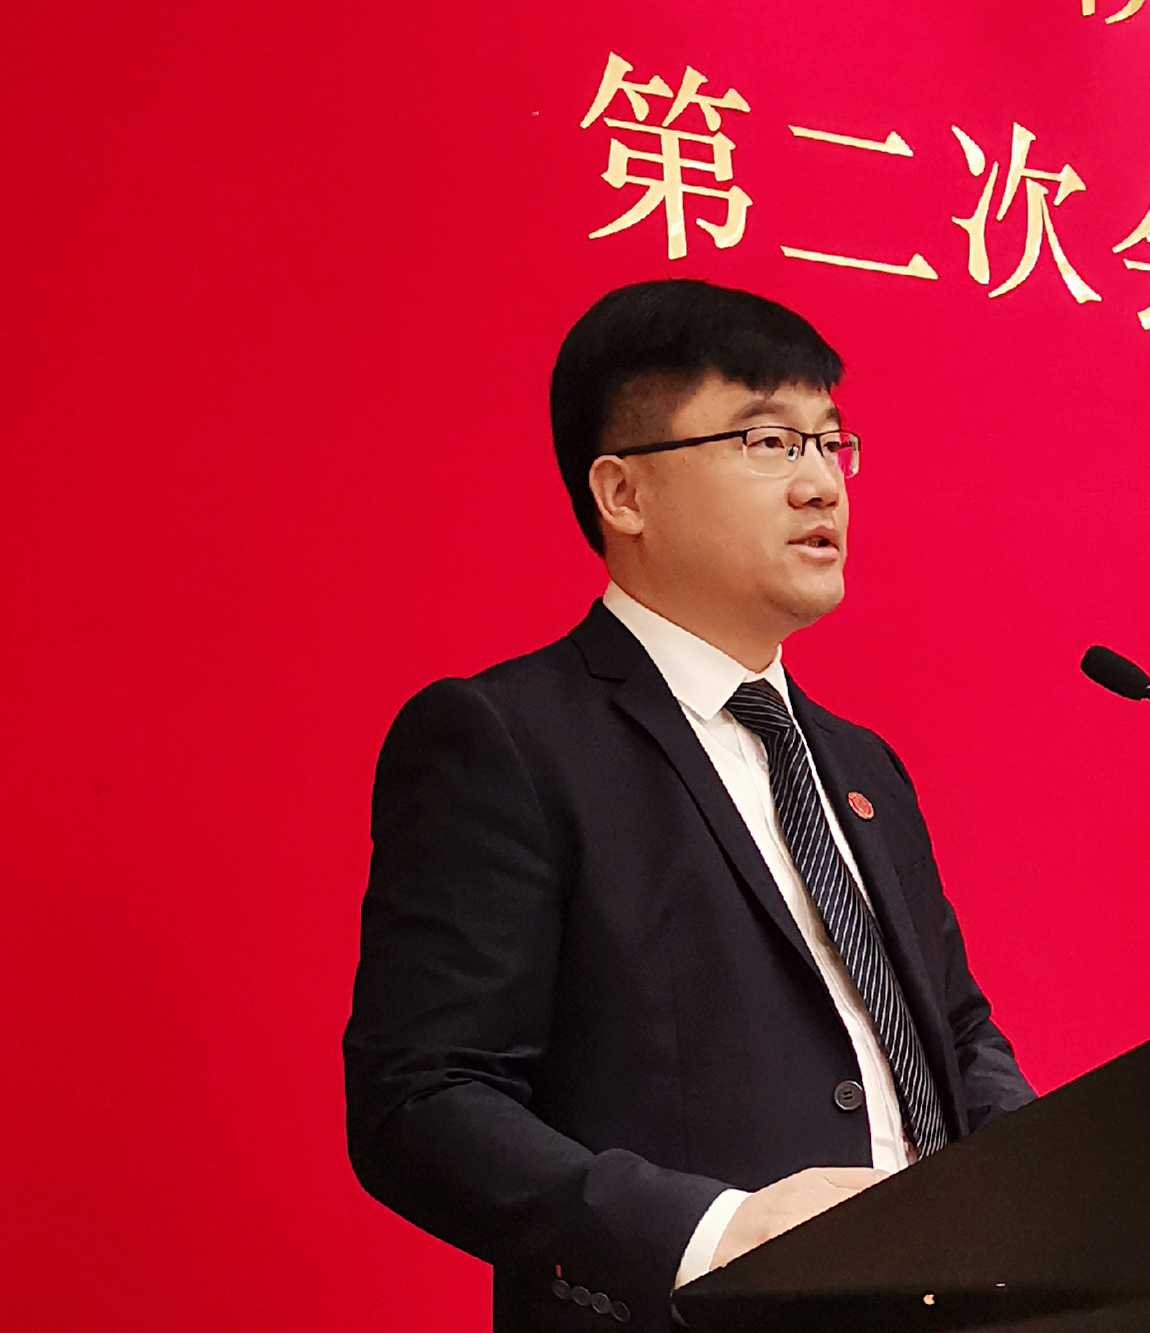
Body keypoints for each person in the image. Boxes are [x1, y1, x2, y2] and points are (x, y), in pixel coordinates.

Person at [344, 279, 1032, 1333]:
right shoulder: (508, 740)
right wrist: (716, 1235)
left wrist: (1039, 1180)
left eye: (830, 441)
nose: (820, 483)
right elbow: (423, 1099)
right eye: (768, 441)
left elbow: (956, 1031)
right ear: (624, 493)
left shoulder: (862, 765)